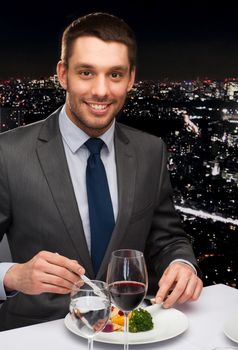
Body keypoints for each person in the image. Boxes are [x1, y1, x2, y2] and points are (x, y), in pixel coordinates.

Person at [0, 12, 203, 331]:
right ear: (63, 74)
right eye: (86, 72)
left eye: (115, 75)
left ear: (131, 78)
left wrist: (181, 264)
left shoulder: (150, 151)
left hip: (129, 330)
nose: (101, 91)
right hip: (36, 334)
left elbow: (167, 237)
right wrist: (12, 276)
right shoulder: (7, 153)